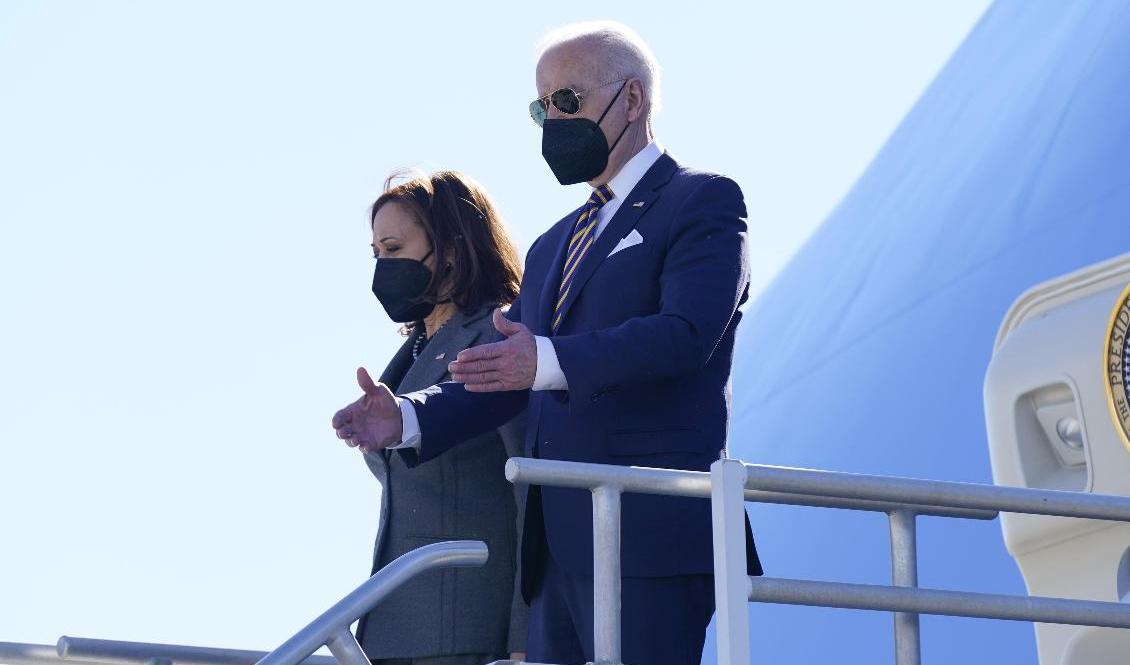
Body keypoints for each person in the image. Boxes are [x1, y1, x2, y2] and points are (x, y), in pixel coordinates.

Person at [334, 22, 762, 665]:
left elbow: (687, 334)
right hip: (555, 555)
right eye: (542, 109)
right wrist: (409, 418)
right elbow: (507, 375)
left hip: (648, 533)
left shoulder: (701, 200)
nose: (553, 122)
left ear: (633, 99)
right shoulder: (551, 245)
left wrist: (549, 360)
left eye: (567, 101)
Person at [350, 170, 529, 665]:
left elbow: (531, 494)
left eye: (394, 249)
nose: (383, 267)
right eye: (376, 254)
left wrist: (525, 636)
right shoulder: (413, 353)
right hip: (393, 630)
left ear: (449, 250)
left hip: (466, 632)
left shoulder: (498, 336)